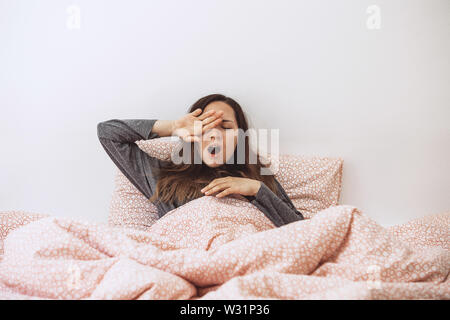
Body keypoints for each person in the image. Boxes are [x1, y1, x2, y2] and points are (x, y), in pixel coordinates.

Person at [97, 93, 304, 227]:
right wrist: (172, 127)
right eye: (204, 126)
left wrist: (256, 190)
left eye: (226, 127)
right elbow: (107, 133)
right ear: (192, 137)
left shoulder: (258, 179)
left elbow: (301, 231)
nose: (215, 134)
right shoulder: (163, 178)